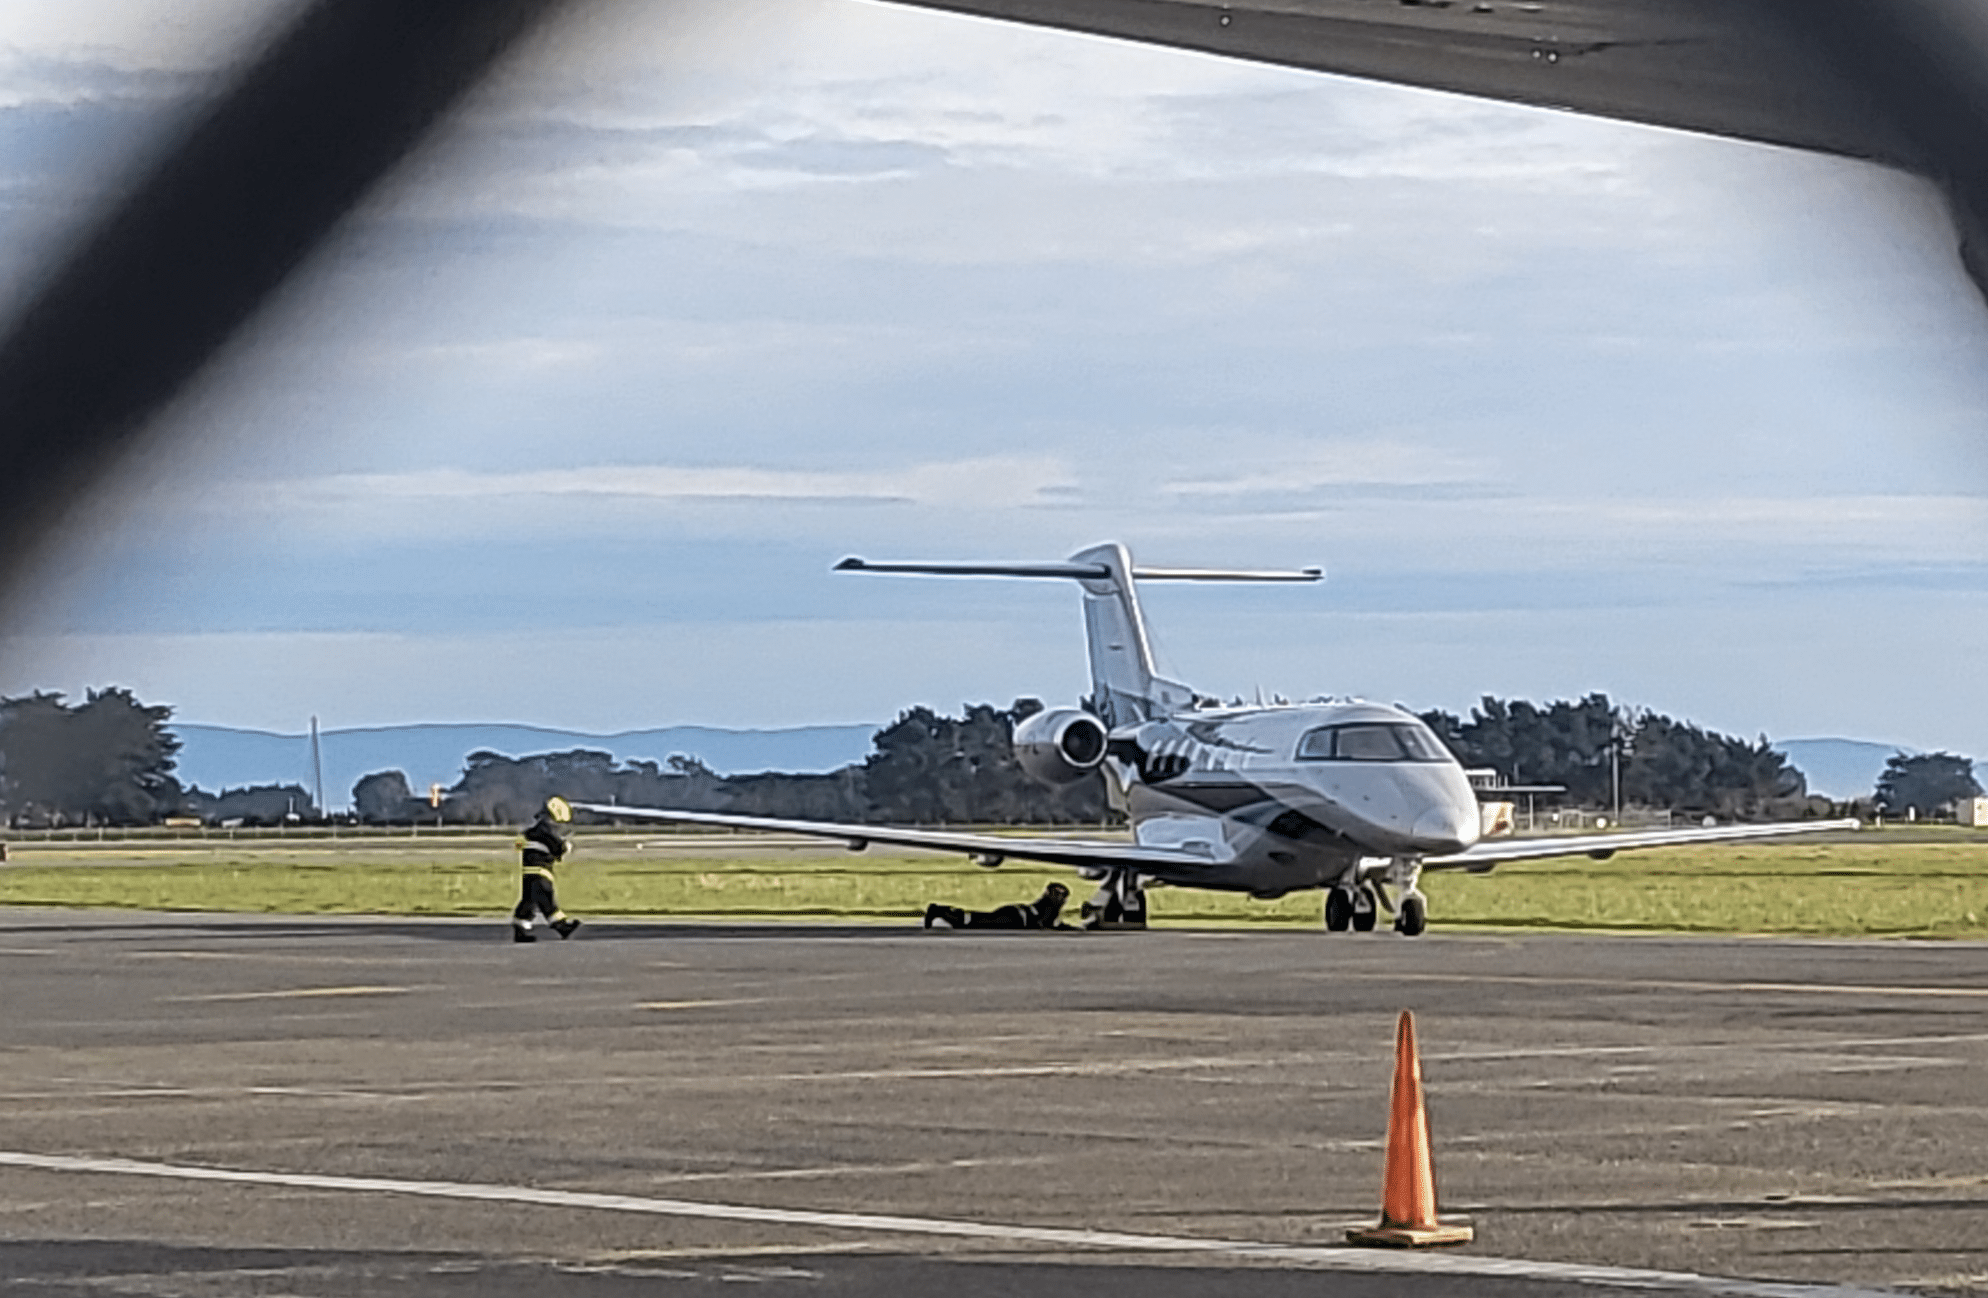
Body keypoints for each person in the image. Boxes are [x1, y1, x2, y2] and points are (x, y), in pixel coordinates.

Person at [512, 796, 580, 943]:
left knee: (529, 901)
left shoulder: (534, 831)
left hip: (529, 872)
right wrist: (566, 847)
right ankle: (561, 926)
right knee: (547, 898)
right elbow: (556, 846)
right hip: (540, 871)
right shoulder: (546, 829)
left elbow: (520, 845)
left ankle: (521, 929)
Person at [924, 881, 1070, 931]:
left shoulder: (1046, 905)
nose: (1063, 902)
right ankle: (941, 911)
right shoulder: (1050, 907)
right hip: (1014, 918)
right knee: (976, 922)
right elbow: (1046, 924)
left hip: (1014, 914)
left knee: (978, 920)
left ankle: (942, 911)